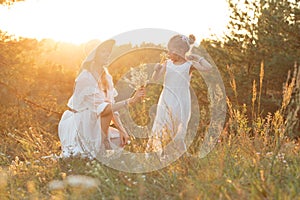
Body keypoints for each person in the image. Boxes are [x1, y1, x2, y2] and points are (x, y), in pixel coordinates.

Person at [58, 39, 145, 159]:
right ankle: (99, 149)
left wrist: (122, 129)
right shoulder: (85, 78)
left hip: (93, 119)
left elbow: (111, 107)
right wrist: (130, 101)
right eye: (103, 51)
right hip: (79, 122)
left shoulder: (106, 76)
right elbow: (105, 110)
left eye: (108, 51)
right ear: (93, 56)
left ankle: (100, 144)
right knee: (105, 112)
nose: (108, 54)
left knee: (121, 140)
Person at [146, 34, 212, 157]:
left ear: (181, 51)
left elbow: (208, 68)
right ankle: (161, 155)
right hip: (166, 99)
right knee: (163, 126)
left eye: (171, 51)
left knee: (177, 130)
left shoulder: (189, 65)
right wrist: (156, 69)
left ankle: (182, 156)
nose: (168, 53)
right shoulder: (167, 63)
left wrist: (197, 57)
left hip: (181, 101)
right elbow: (155, 78)